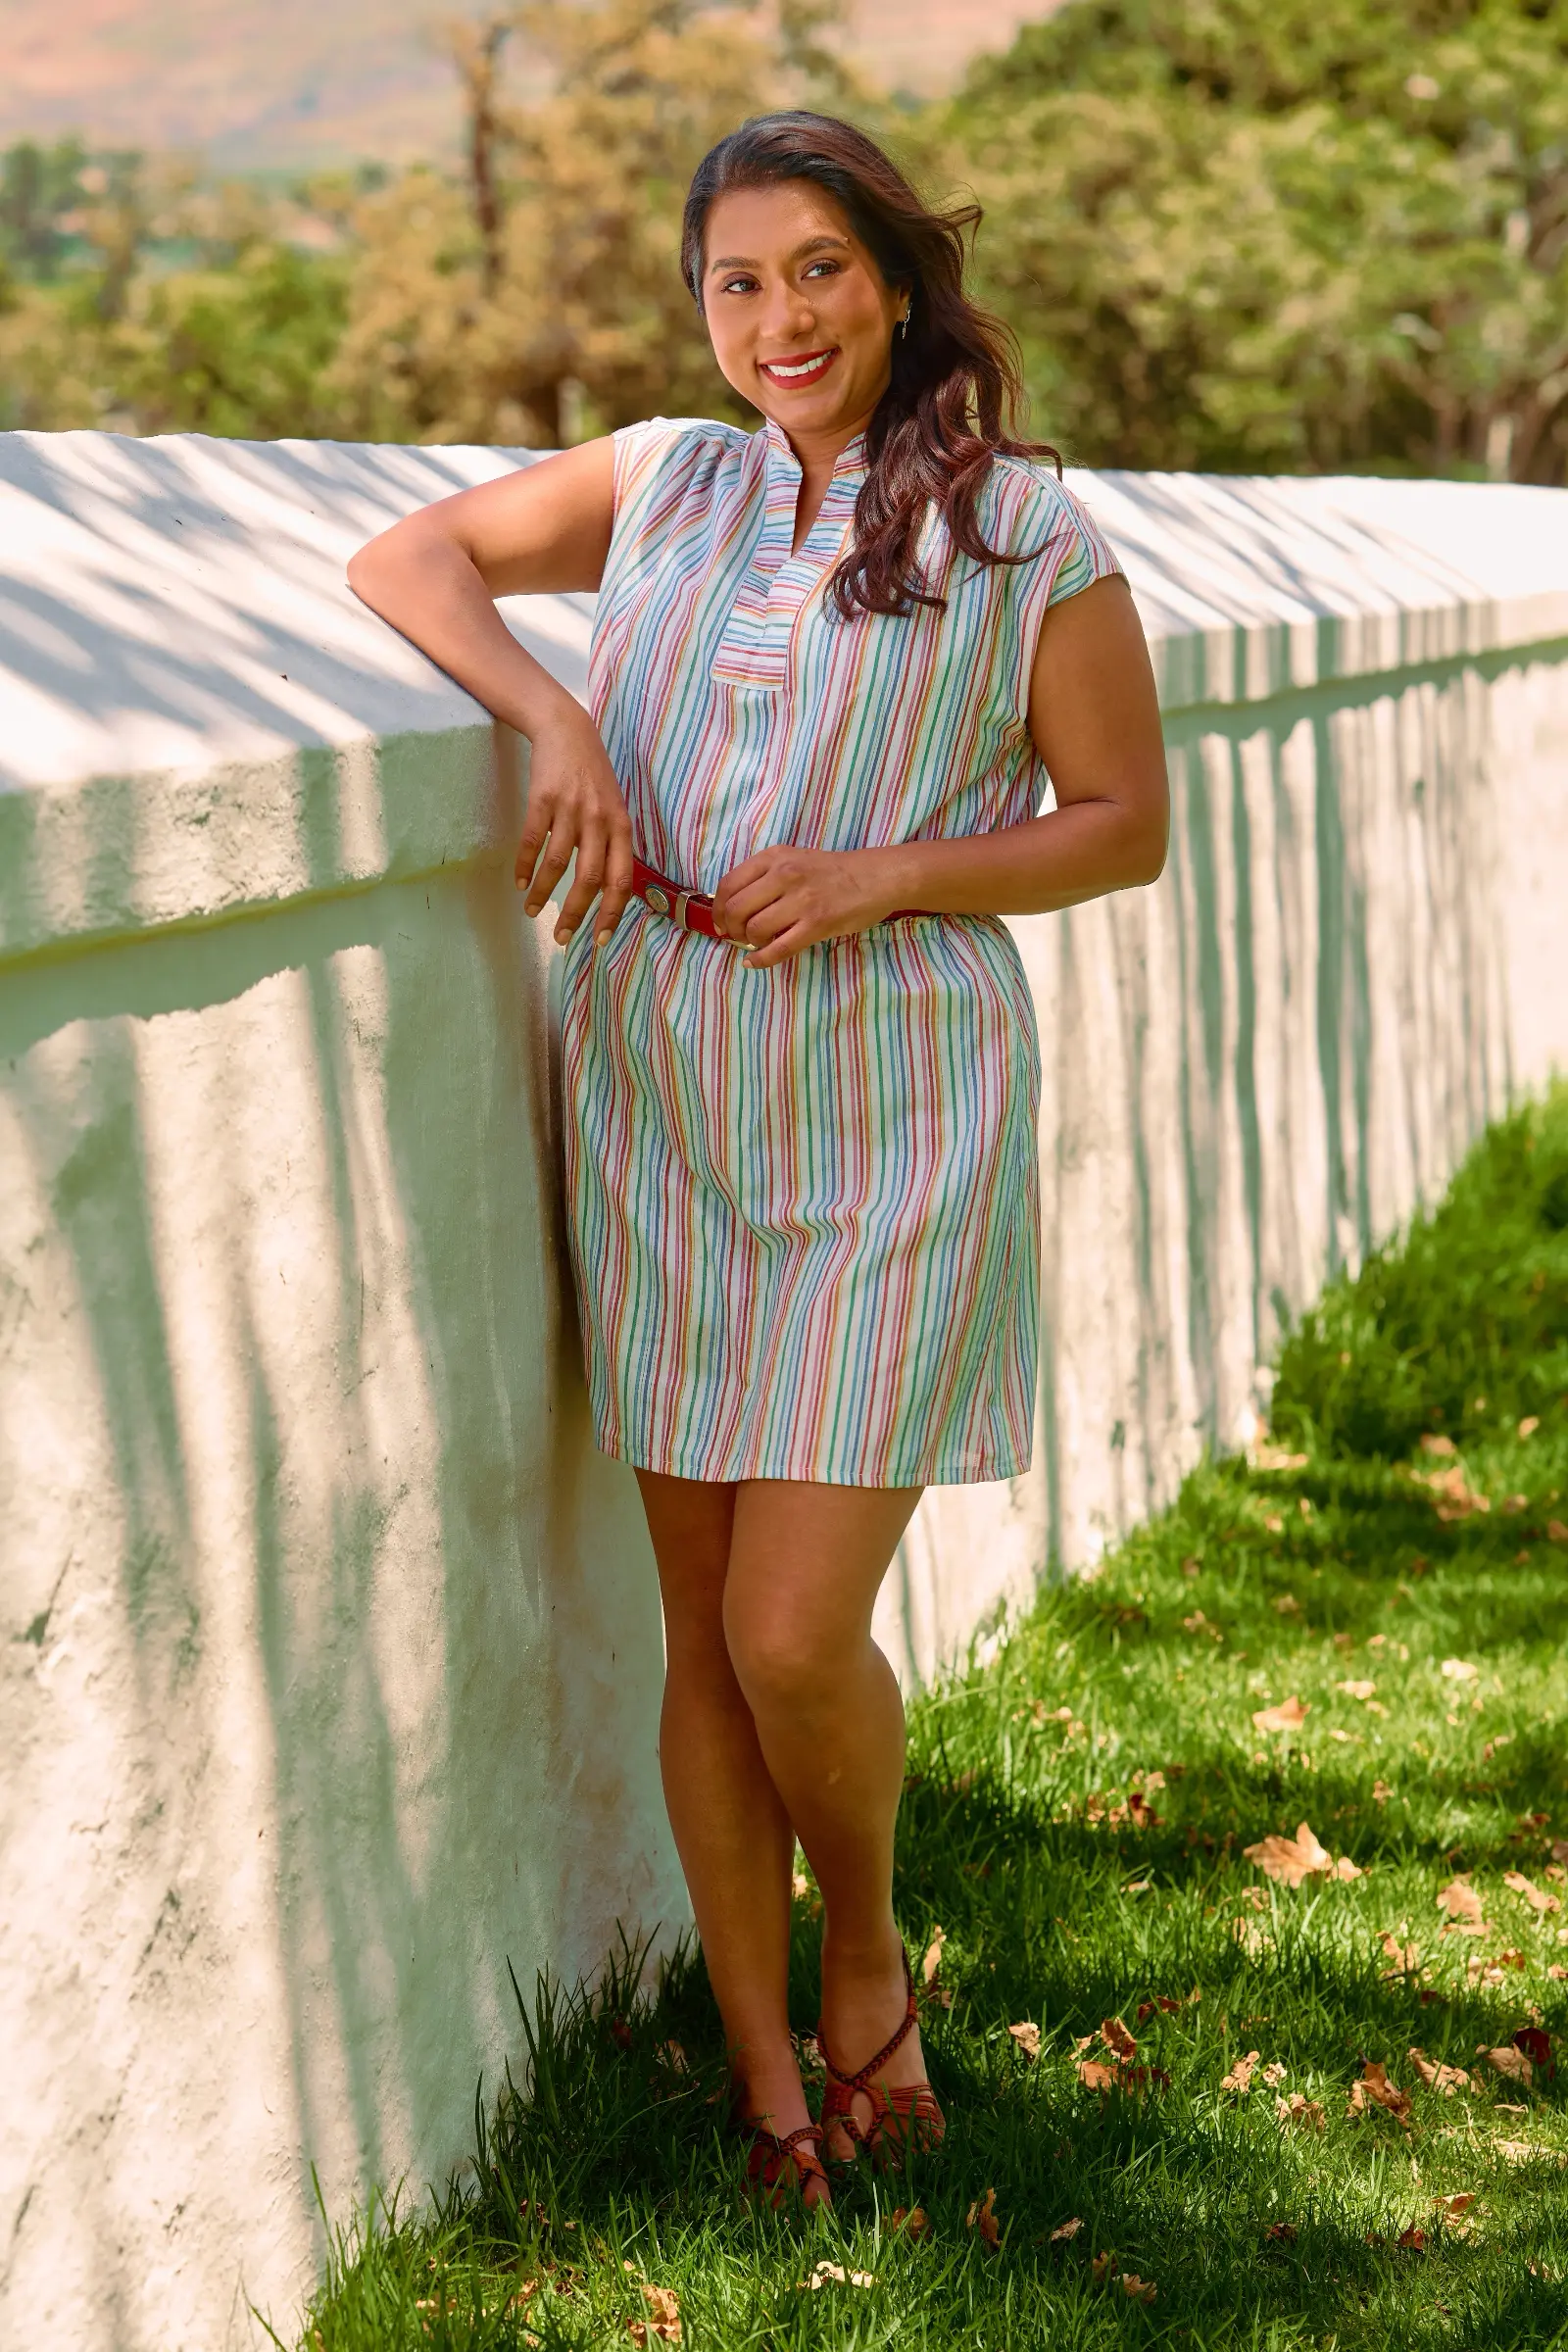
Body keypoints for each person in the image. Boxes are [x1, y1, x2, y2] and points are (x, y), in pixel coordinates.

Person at [347, 110, 1169, 2210]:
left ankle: (864, 1951)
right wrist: (555, 721)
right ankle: (761, 2075)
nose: (779, 317)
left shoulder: (1025, 529)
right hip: (656, 1082)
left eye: (817, 269)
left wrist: (887, 872)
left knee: (794, 1631)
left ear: (892, 281)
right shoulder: (664, 480)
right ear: (700, 307)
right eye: (737, 281)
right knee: (701, 1620)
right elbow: (405, 562)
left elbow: (1120, 822)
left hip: (897, 1095)